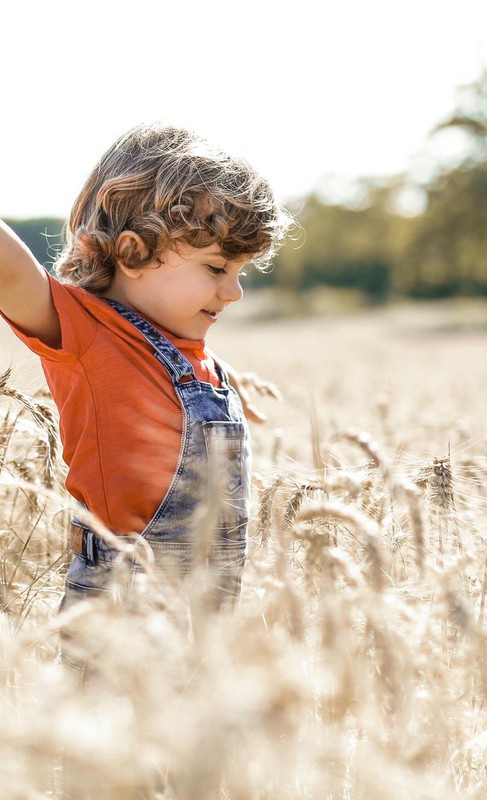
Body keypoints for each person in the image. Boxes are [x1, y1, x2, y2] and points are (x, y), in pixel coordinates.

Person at [0, 122, 291, 627]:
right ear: (134, 253)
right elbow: (9, 269)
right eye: (217, 268)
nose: (234, 292)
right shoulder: (87, 333)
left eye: (240, 272)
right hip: (122, 613)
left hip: (206, 616)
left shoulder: (194, 355)